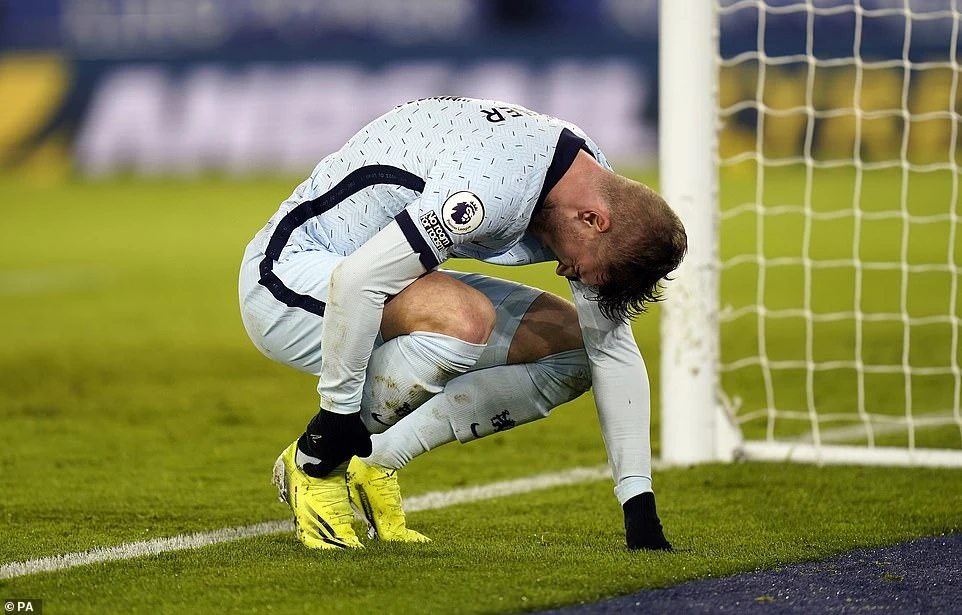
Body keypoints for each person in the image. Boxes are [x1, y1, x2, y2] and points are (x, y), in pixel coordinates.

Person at [238, 96, 686, 551]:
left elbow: (609, 348)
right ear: (593, 221)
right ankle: (315, 462)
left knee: (574, 349)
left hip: (376, 275)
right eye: (591, 270)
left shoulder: (588, 183)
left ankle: (375, 459)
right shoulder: (488, 190)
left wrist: (639, 509)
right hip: (285, 279)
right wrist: (335, 419)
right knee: (463, 319)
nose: (567, 272)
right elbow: (356, 282)